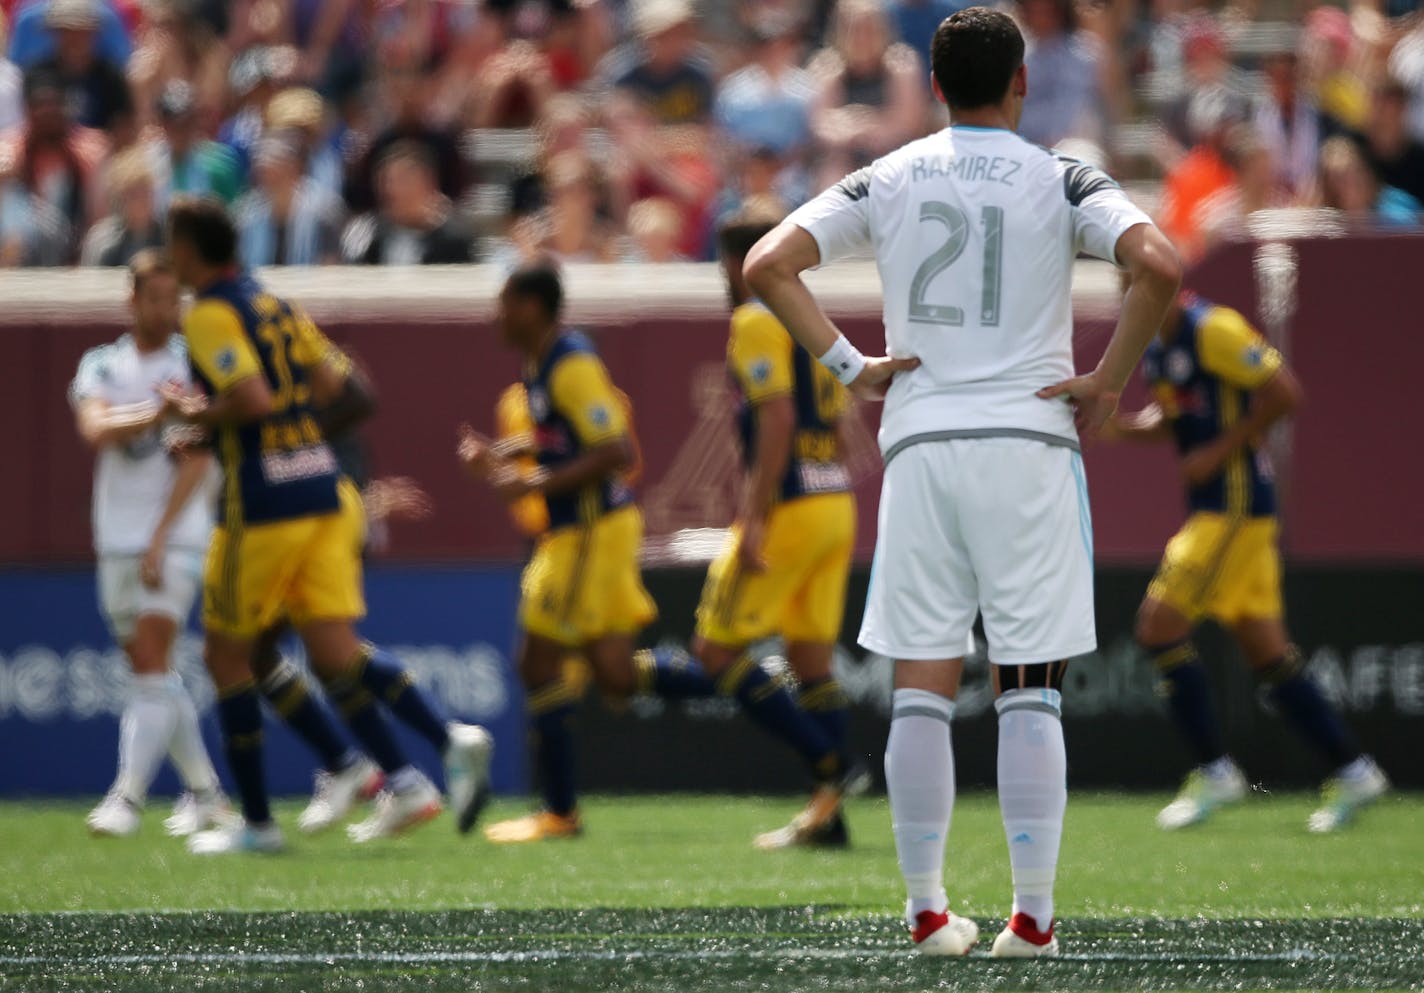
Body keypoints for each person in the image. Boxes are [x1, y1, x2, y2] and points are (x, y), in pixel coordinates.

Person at [741, 7, 1181, 957]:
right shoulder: (1062, 172)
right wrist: (1108, 380)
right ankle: (1032, 920)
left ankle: (927, 913)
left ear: (933, 86)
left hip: (922, 445)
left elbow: (766, 263)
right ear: (1021, 81)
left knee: (920, 691)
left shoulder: (888, 173)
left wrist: (850, 364)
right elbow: (1160, 263)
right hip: (1026, 446)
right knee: (1030, 691)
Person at [458, 262, 856, 844]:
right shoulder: (543, 365)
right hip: (596, 531)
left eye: (505, 303)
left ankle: (560, 811)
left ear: (533, 307)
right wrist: (506, 452)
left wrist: (531, 485)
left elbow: (616, 448)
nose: (496, 315)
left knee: (537, 662)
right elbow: (560, 437)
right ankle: (758, 690)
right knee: (616, 677)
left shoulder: (570, 363)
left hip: (589, 532)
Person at [159, 196, 493, 854]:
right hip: (323, 490)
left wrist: (197, 418)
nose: (171, 259)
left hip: (260, 504)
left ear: (192, 251)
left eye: (173, 246)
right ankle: (445, 740)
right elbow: (346, 389)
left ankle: (256, 823)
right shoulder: (274, 304)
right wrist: (296, 434)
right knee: (335, 651)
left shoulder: (208, 313)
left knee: (225, 656)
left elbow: (250, 398)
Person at [1105, 292, 1390, 833]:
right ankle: (1354, 769)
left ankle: (1215, 769)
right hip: (1230, 514)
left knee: (1157, 627)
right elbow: (1175, 421)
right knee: (1267, 652)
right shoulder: (1155, 344)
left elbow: (1285, 392)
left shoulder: (1214, 329)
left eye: (1137, 280)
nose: (1128, 295)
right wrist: (1122, 428)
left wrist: (1224, 449)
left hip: (1232, 507)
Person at [698, 203, 866, 849]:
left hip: (792, 505)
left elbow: (776, 420)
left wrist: (751, 517)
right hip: (834, 501)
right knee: (811, 661)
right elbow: (840, 419)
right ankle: (828, 818)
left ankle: (834, 767)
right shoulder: (809, 317)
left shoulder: (754, 318)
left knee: (715, 651)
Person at [67, 249, 232, 839]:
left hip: (177, 532)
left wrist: (161, 537)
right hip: (115, 534)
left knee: (151, 660)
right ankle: (208, 793)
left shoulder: (195, 363)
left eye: (174, 299)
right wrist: (154, 411)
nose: (167, 309)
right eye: (156, 299)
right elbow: (94, 428)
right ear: (132, 301)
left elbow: (199, 458)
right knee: (150, 670)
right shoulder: (102, 364)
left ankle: (126, 798)